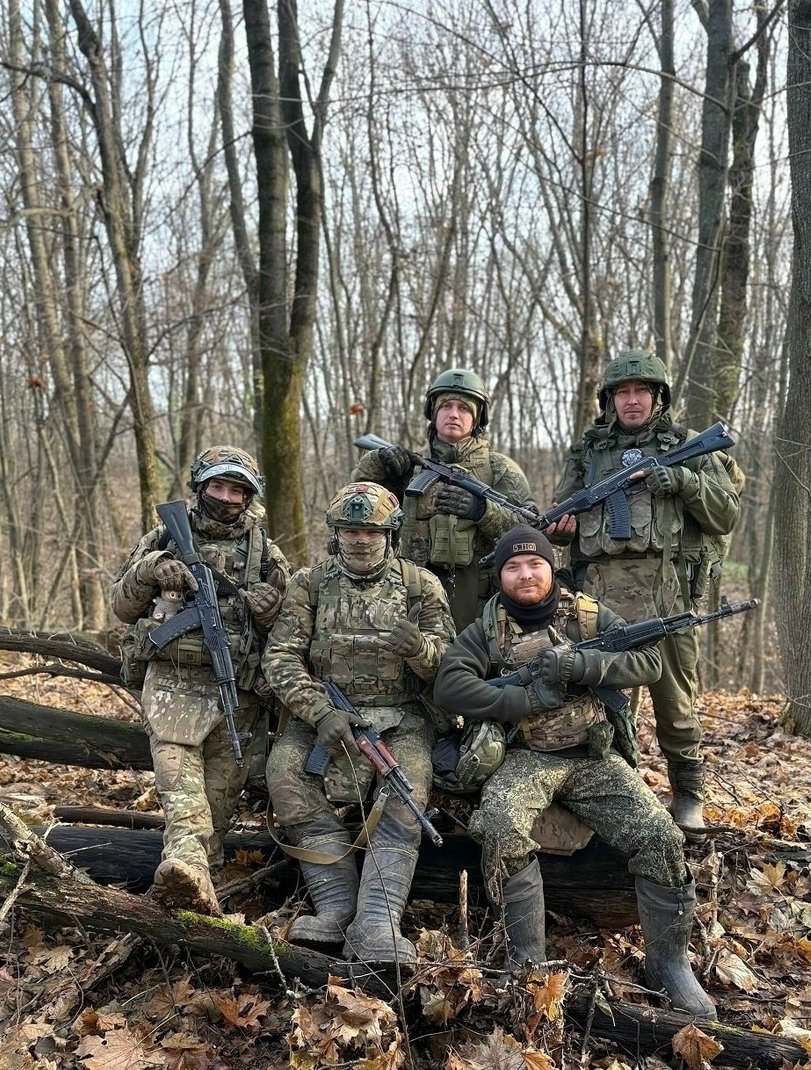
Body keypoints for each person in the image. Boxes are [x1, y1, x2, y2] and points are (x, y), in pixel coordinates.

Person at [433, 525, 716, 1019]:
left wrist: (583, 667)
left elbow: (648, 662)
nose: (525, 574)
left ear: (552, 567)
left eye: (535, 564)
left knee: (661, 834)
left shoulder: (587, 615)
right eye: (513, 567)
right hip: (525, 757)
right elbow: (450, 687)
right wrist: (521, 699)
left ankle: (670, 965)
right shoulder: (486, 628)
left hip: (593, 757)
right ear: (500, 576)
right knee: (498, 825)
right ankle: (527, 961)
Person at [262, 482, 455, 966]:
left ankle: (377, 921)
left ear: (390, 534)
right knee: (285, 774)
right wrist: (320, 712)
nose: (360, 540)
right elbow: (280, 656)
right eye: (350, 530)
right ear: (336, 534)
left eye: (371, 531)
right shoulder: (309, 584)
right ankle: (335, 905)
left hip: (402, 717)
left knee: (407, 790)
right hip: (324, 714)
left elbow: (452, 669)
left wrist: (421, 651)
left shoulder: (421, 585)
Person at [548, 349, 740, 832]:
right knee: (604, 704)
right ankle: (617, 793)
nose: (632, 401)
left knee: (676, 704)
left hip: (668, 593)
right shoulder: (588, 453)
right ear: (609, 400)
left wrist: (683, 482)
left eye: (641, 392)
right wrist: (560, 530)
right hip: (597, 598)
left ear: (659, 397)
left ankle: (688, 792)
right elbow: (560, 515)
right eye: (622, 393)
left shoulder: (690, 446)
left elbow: (725, 515)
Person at [111, 446, 291, 916]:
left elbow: (292, 634)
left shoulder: (265, 554)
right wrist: (150, 571)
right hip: (173, 689)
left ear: (249, 496)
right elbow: (122, 607)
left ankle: (194, 908)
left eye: (237, 490)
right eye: (217, 486)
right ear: (200, 486)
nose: (226, 497)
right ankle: (184, 868)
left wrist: (271, 611)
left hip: (237, 700)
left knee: (217, 811)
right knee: (183, 803)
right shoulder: (163, 537)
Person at [353, 368, 537, 633]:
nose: (453, 414)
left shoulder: (499, 469)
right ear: (433, 412)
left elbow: (530, 532)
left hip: (478, 600)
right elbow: (357, 512)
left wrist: (483, 511)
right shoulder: (409, 466)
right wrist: (376, 464)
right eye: (446, 406)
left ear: (477, 418)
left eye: (464, 408)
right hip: (410, 591)